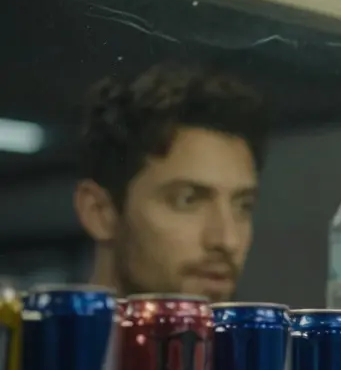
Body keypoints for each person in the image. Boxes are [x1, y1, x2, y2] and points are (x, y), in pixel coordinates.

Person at [74, 63, 268, 302]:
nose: (228, 240)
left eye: (243, 206)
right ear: (99, 212)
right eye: (187, 200)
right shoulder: (27, 340)